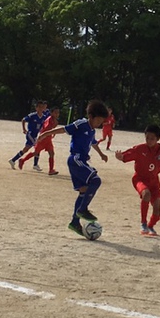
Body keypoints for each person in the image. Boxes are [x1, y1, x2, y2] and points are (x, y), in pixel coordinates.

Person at [36, 100, 109, 236]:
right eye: (98, 121)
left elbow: (93, 142)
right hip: (76, 159)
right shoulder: (81, 123)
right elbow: (64, 129)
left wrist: (101, 153)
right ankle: (82, 209)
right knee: (96, 180)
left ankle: (75, 222)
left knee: (84, 190)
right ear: (91, 116)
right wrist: (45, 134)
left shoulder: (92, 130)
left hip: (81, 161)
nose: (99, 124)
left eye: (101, 122)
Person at [115, 125, 160, 236]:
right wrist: (120, 157)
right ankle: (143, 223)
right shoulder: (140, 149)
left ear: (158, 139)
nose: (149, 141)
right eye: (147, 138)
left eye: (152, 138)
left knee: (157, 210)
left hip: (154, 182)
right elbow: (126, 155)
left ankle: (151, 226)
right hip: (139, 179)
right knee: (146, 194)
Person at [18, 107, 60, 175]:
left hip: (48, 139)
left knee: (51, 153)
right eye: (55, 112)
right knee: (35, 152)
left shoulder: (55, 120)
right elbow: (46, 128)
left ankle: (51, 170)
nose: (57, 114)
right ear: (51, 113)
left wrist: (54, 131)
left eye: (58, 113)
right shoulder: (49, 120)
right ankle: (22, 160)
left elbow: (52, 128)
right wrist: (51, 131)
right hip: (43, 139)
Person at [8, 101, 48, 170]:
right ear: (36, 108)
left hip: (35, 135)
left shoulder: (44, 117)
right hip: (30, 134)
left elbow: (42, 126)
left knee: (27, 149)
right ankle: (35, 164)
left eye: (42, 107)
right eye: (39, 107)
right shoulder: (33, 115)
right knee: (36, 147)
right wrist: (24, 129)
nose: (41, 109)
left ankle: (13, 160)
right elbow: (23, 119)